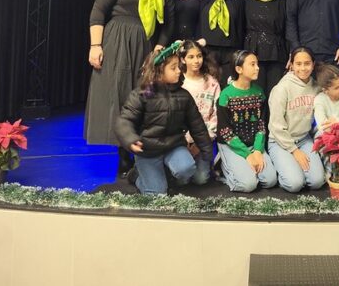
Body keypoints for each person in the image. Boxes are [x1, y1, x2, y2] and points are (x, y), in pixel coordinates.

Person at [86, 0, 172, 177]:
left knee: (139, 96)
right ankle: (123, 156)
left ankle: (135, 153)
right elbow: (98, 11)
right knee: (118, 92)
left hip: (144, 44)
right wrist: (95, 45)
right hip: (118, 40)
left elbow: (166, 24)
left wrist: (157, 50)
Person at [114, 43, 213, 194]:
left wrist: (206, 151)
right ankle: (137, 176)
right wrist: (130, 138)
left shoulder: (184, 96)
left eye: (178, 66)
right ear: (159, 71)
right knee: (156, 194)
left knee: (186, 169)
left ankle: (162, 173)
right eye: (173, 68)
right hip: (148, 150)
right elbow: (124, 120)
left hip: (174, 146)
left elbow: (197, 126)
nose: (179, 70)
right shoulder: (141, 94)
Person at [216, 50, 278, 192]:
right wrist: (247, 154)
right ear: (239, 69)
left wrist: (257, 150)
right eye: (252, 64)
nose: (257, 68)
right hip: (232, 145)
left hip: (253, 144)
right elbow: (225, 131)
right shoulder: (226, 95)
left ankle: (245, 169)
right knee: (248, 185)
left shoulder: (259, 92)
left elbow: (261, 125)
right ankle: (224, 168)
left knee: (270, 181)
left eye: (257, 64)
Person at [268, 47, 326, 192]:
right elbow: (276, 126)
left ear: (313, 64)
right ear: (291, 65)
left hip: (304, 139)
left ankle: (293, 168)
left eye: (307, 63)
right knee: (295, 184)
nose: (303, 68)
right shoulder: (281, 88)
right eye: (298, 64)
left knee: (317, 182)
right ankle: (283, 169)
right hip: (279, 142)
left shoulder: (316, 87)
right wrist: (294, 151)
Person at [179, 39, 220, 185]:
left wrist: (201, 143)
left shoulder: (212, 83)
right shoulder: (178, 81)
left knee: (200, 179)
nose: (196, 61)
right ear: (183, 59)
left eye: (199, 56)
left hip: (203, 141)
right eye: (191, 57)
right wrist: (183, 142)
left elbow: (216, 116)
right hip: (180, 142)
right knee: (182, 179)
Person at [244, 0, 288, 97]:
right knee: (255, 92)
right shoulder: (246, 2)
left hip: (277, 54)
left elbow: (286, 29)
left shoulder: (281, 2)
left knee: (275, 93)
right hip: (253, 52)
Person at [199, 0, 245, 85]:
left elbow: (241, 26)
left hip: (230, 50)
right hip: (207, 49)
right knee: (208, 86)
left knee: (227, 86)